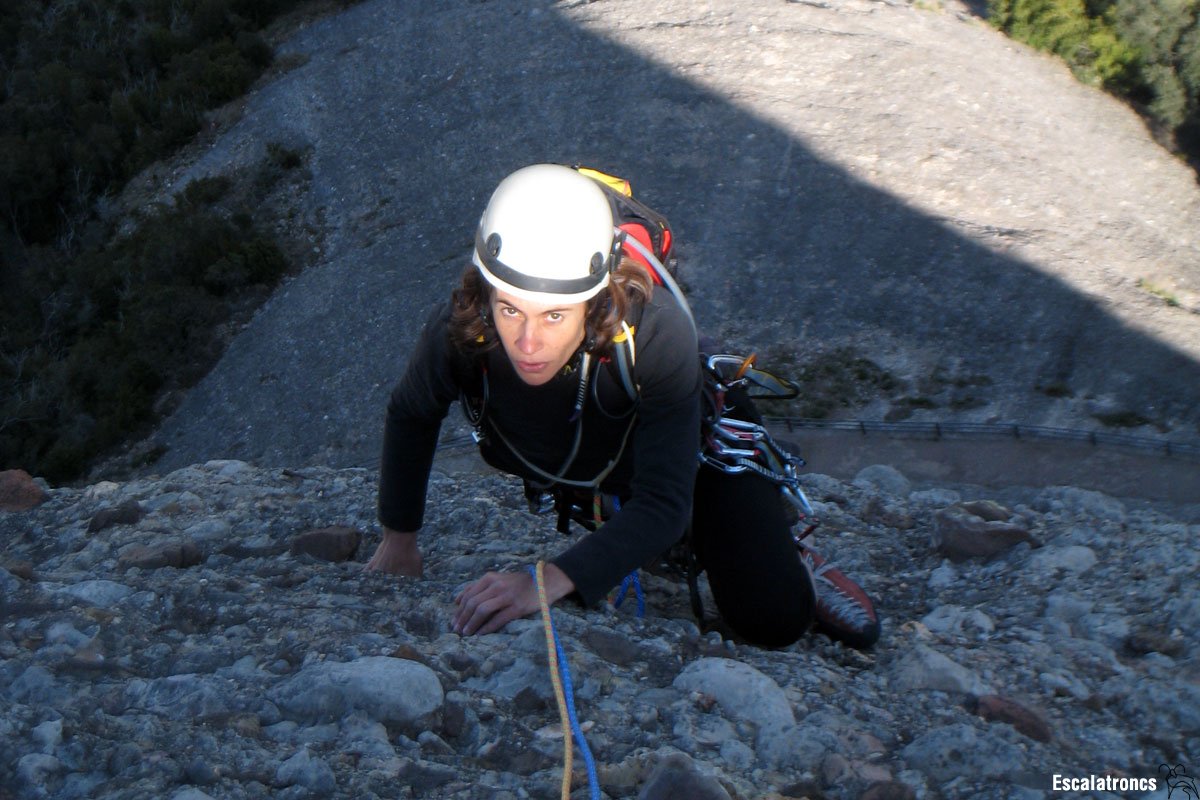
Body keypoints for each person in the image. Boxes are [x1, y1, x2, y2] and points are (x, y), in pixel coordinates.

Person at [368, 164, 879, 649]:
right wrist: (398, 538)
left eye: (554, 316)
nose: (527, 342)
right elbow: (412, 413)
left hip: (700, 449)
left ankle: (790, 550)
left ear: (594, 301)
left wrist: (545, 581)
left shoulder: (655, 336)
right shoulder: (462, 329)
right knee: (647, 531)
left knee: (772, 618)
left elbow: (662, 502)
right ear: (487, 293)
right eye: (510, 309)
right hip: (598, 459)